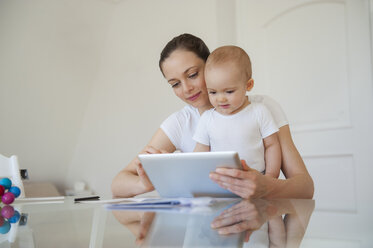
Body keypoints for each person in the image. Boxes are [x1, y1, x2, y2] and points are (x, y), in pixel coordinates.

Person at [111, 33, 314, 199]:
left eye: (192, 75)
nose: (187, 89)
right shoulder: (180, 123)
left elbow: (305, 187)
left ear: (209, 66)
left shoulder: (262, 108)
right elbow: (118, 183)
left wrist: (267, 186)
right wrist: (145, 183)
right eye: (175, 84)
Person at [193, 46, 281, 180]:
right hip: (221, 182)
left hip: (257, 180)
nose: (220, 99)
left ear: (248, 85)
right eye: (213, 92)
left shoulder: (259, 111)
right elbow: (199, 155)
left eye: (229, 92)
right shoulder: (207, 119)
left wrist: (270, 177)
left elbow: (272, 145)